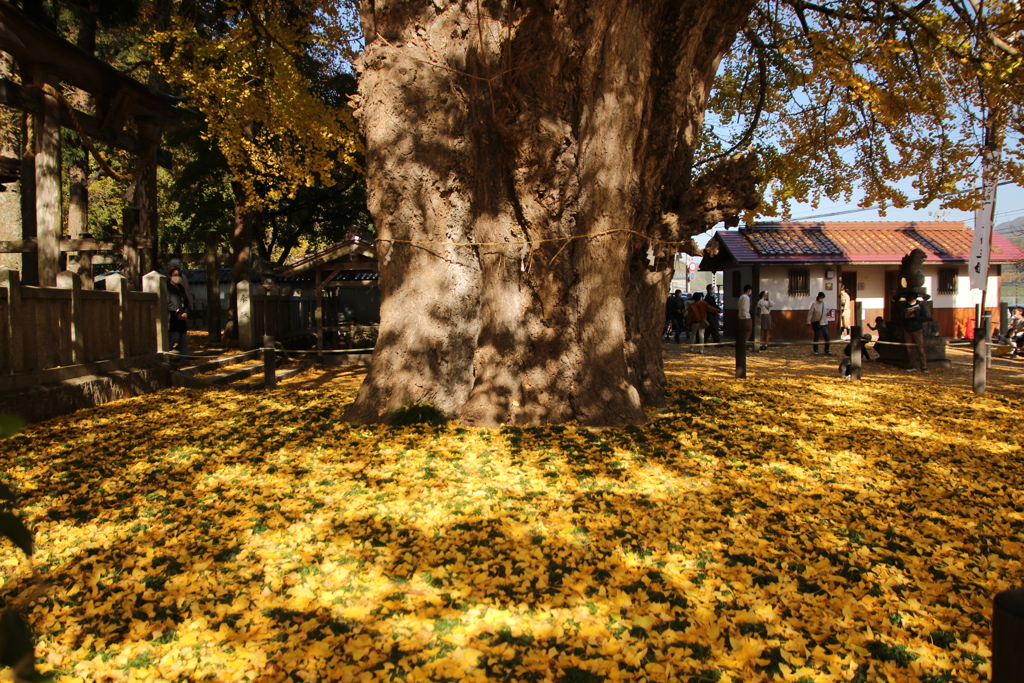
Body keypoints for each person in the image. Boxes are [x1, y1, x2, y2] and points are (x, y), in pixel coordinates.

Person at [167, 267, 190, 356]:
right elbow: (167, 302)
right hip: (172, 318)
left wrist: (186, 312)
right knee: (174, 336)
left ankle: (183, 359)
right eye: (175, 275)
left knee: (183, 339)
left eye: (179, 275)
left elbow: (186, 303)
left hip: (182, 318)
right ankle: (164, 353)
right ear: (170, 277)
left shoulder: (181, 288)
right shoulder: (168, 288)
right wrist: (176, 313)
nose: (177, 277)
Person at [903, 292, 927, 372]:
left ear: (915, 299)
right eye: (909, 299)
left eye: (912, 299)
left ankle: (923, 366)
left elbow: (924, 317)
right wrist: (905, 316)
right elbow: (900, 316)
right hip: (907, 329)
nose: (910, 301)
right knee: (909, 350)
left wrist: (915, 317)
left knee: (920, 349)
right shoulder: (905, 306)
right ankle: (913, 365)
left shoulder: (920, 306)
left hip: (917, 329)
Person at [737, 284, 753, 350]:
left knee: (742, 331)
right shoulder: (746, 297)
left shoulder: (741, 297)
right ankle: (744, 343)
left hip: (740, 316)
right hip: (745, 316)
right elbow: (744, 308)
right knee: (748, 330)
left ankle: (741, 343)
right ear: (748, 290)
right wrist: (746, 316)